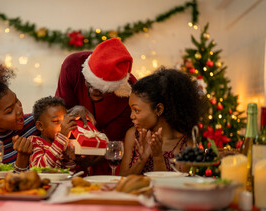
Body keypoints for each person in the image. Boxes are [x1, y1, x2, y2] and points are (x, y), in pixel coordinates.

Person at [55, 38, 137, 175]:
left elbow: (112, 141)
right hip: (69, 148)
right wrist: (72, 109)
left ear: (116, 88)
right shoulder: (72, 65)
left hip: (106, 156)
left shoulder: (130, 93)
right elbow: (58, 110)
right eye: (89, 83)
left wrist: (95, 155)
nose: (92, 91)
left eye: (100, 89)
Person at [119, 67, 207, 176]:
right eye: (131, 110)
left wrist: (157, 157)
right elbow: (122, 179)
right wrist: (142, 159)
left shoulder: (185, 145)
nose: (131, 116)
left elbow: (174, 187)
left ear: (158, 109)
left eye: (137, 110)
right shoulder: (133, 135)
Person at [28, 96, 77, 170]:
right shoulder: (35, 141)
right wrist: (62, 136)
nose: (63, 125)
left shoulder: (65, 143)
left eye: (64, 121)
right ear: (40, 126)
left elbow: (71, 174)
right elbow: (40, 168)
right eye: (56, 121)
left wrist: (68, 160)